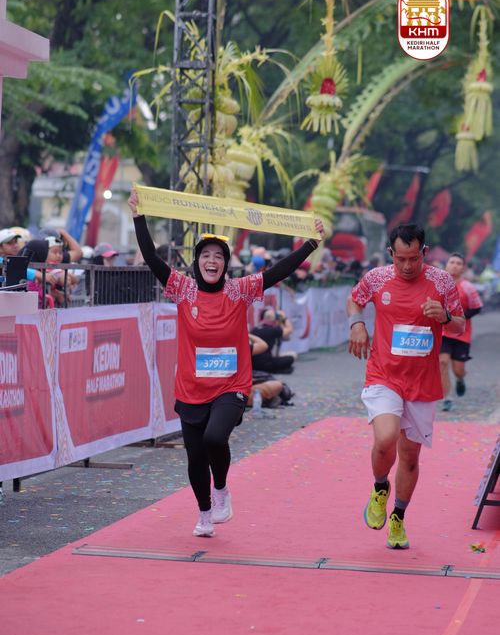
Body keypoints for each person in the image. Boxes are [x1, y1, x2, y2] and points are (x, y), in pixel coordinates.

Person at [128, 187, 324, 537]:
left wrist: (310, 244)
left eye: (218, 256)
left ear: (225, 263)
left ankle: (221, 489)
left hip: (231, 385)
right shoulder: (183, 290)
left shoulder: (239, 290)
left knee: (215, 438)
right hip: (191, 388)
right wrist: (139, 217)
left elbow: (278, 272)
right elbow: (152, 259)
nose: (212, 261)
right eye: (206, 255)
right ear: (197, 262)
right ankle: (205, 513)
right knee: (194, 457)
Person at [346, 223, 465, 550]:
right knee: (385, 438)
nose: (408, 266)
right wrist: (357, 324)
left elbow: (459, 324)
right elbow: (354, 301)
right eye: (401, 259)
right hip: (384, 374)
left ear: (424, 252)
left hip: (422, 382)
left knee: (410, 457)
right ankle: (380, 487)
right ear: (391, 254)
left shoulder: (442, 281)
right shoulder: (377, 278)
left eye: (414, 258)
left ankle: (398, 517)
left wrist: (444, 316)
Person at [439, 252, 482, 411]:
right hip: (443, 332)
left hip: (462, 333)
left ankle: (460, 379)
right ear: (446, 265)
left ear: (463, 268)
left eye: (458, 263)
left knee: (458, 370)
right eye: (452, 262)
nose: (455, 266)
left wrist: (460, 318)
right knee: (442, 362)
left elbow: (477, 307)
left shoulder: (468, 287)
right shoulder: (439, 285)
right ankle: (447, 398)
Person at [251, 307, 296, 374]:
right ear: (275, 319)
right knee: (292, 357)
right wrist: (284, 317)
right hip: (266, 363)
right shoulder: (273, 330)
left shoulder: (254, 329)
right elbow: (289, 330)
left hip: (253, 364)